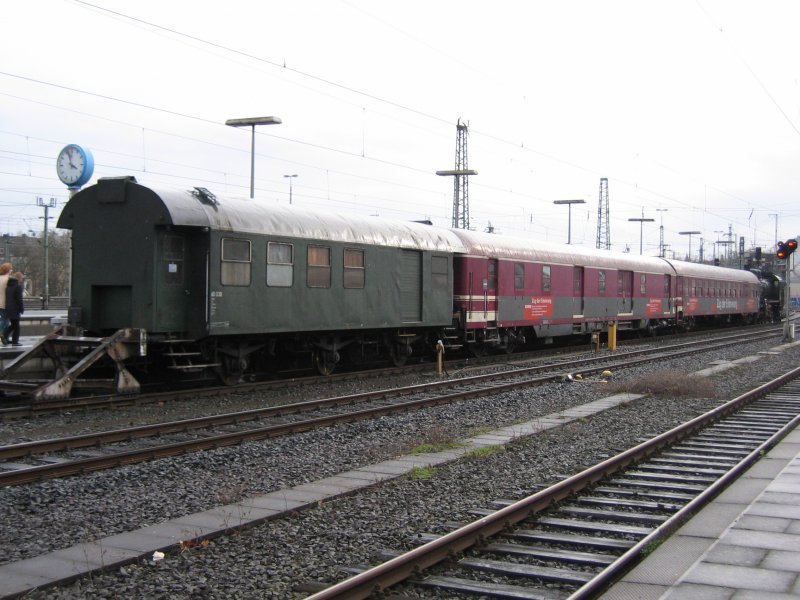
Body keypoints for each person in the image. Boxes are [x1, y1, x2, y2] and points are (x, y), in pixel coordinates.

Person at [4, 272, 23, 346]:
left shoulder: (8, 286)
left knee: (13, 325)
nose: (22, 280)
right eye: (21, 278)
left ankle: (4, 335)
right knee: (16, 326)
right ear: (19, 278)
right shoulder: (18, 286)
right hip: (15, 308)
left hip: (8, 308)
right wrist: (21, 308)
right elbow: (19, 299)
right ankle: (15, 341)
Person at [0, 263, 12, 344]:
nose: (12, 270)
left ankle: (5, 338)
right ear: (8, 270)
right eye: (11, 269)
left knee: (6, 321)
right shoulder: (8, 279)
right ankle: (3, 334)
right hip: (5, 302)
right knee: (5, 320)